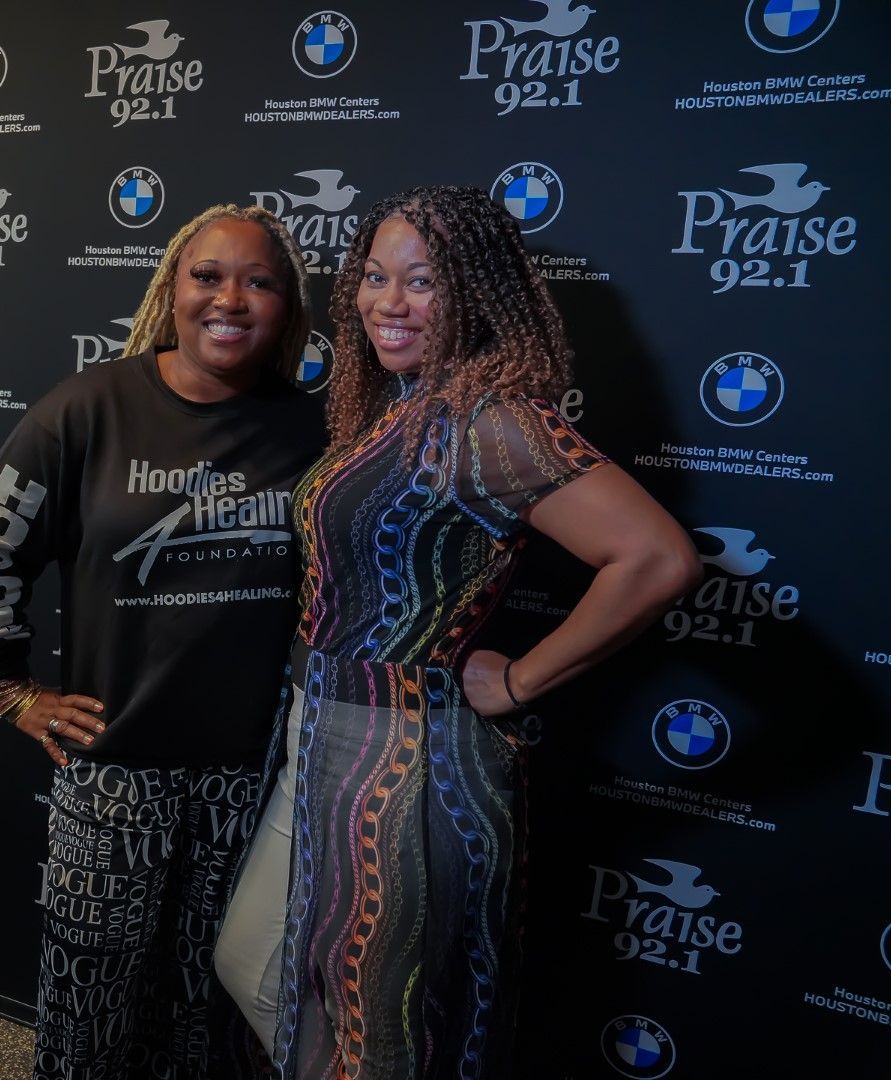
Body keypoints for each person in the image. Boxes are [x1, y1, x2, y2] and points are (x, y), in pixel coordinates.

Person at [213, 186, 702, 1079]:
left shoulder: (491, 422)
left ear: (474, 295)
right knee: (259, 966)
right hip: (322, 734)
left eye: (421, 282)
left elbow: (655, 557)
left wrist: (516, 682)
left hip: (405, 759)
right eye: (373, 277)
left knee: (377, 1026)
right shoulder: (401, 407)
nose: (386, 303)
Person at [0, 204, 326, 1079]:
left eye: (259, 281)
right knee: (89, 1009)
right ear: (170, 290)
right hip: (116, 770)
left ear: (287, 307)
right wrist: (11, 689)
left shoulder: (313, 428)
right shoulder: (88, 409)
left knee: (212, 1010)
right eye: (207, 275)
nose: (230, 298)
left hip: (255, 779)